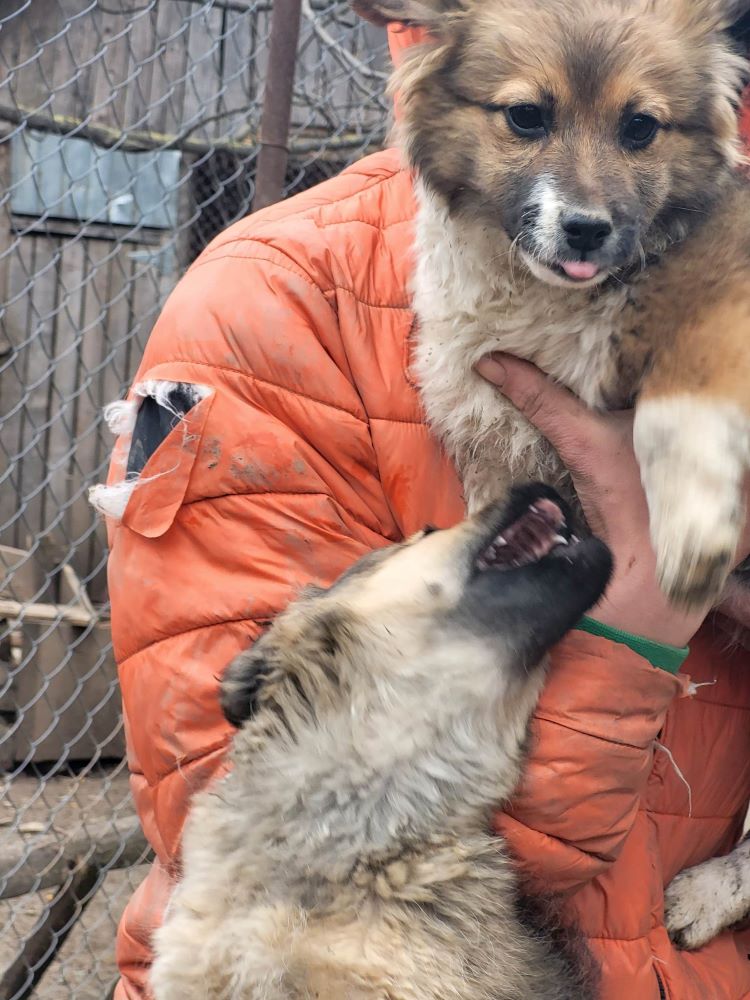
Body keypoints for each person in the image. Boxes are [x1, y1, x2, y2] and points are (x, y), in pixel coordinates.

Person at [105, 23, 750, 1000]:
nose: (584, 192)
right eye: (527, 120)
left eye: (639, 130)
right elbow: (249, 815)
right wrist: (643, 613)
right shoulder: (277, 299)